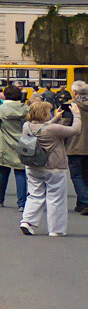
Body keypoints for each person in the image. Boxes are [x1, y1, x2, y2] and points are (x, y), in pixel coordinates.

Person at [20, 99, 83, 236]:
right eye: (48, 112)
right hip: (54, 166)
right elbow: (76, 129)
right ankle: (56, 229)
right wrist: (76, 114)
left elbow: (43, 127)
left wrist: (55, 117)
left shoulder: (27, 126)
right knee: (56, 198)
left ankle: (27, 221)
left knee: (34, 195)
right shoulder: (53, 129)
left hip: (33, 165)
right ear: (44, 113)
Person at [0, 84, 29, 211]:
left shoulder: (0, 109)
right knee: (20, 172)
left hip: (4, 144)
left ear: (5, 95)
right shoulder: (26, 109)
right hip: (22, 144)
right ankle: (22, 203)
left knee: (3, 172)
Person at [67, 80, 88, 215]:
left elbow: (63, 125)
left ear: (74, 92)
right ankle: (81, 204)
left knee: (76, 176)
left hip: (74, 145)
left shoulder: (70, 106)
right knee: (86, 175)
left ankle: (85, 200)